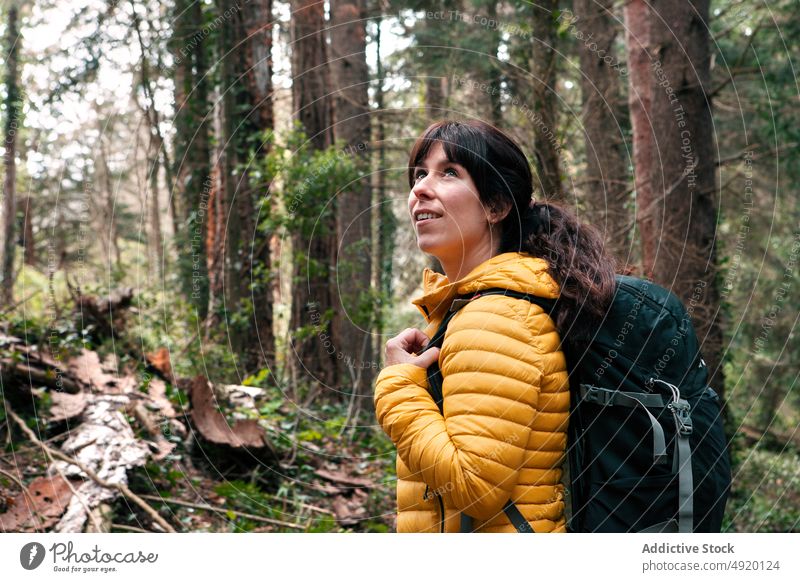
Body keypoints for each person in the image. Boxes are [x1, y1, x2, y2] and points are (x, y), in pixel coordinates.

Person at [373, 119, 617, 533]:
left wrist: (397, 384)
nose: (420, 189)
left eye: (449, 172)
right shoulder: (473, 310)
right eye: (419, 174)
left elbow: (473, 486)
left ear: (495, 207)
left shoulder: (497, 317)